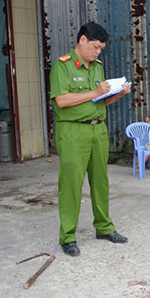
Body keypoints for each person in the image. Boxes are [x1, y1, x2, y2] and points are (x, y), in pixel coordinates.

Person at [49, 22, 131, 257]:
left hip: (98, 130)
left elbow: (100, 101)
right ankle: (68, 237)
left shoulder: (97, 67)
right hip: (73, 131)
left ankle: (104, 228)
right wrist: (95, 93)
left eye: (101, 49)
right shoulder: (62, 66)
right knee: (71, 184)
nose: (98, 52)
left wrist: (117, 94)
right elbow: (62, 101)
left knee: (100, 181)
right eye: (95, 47)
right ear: (82, 40)